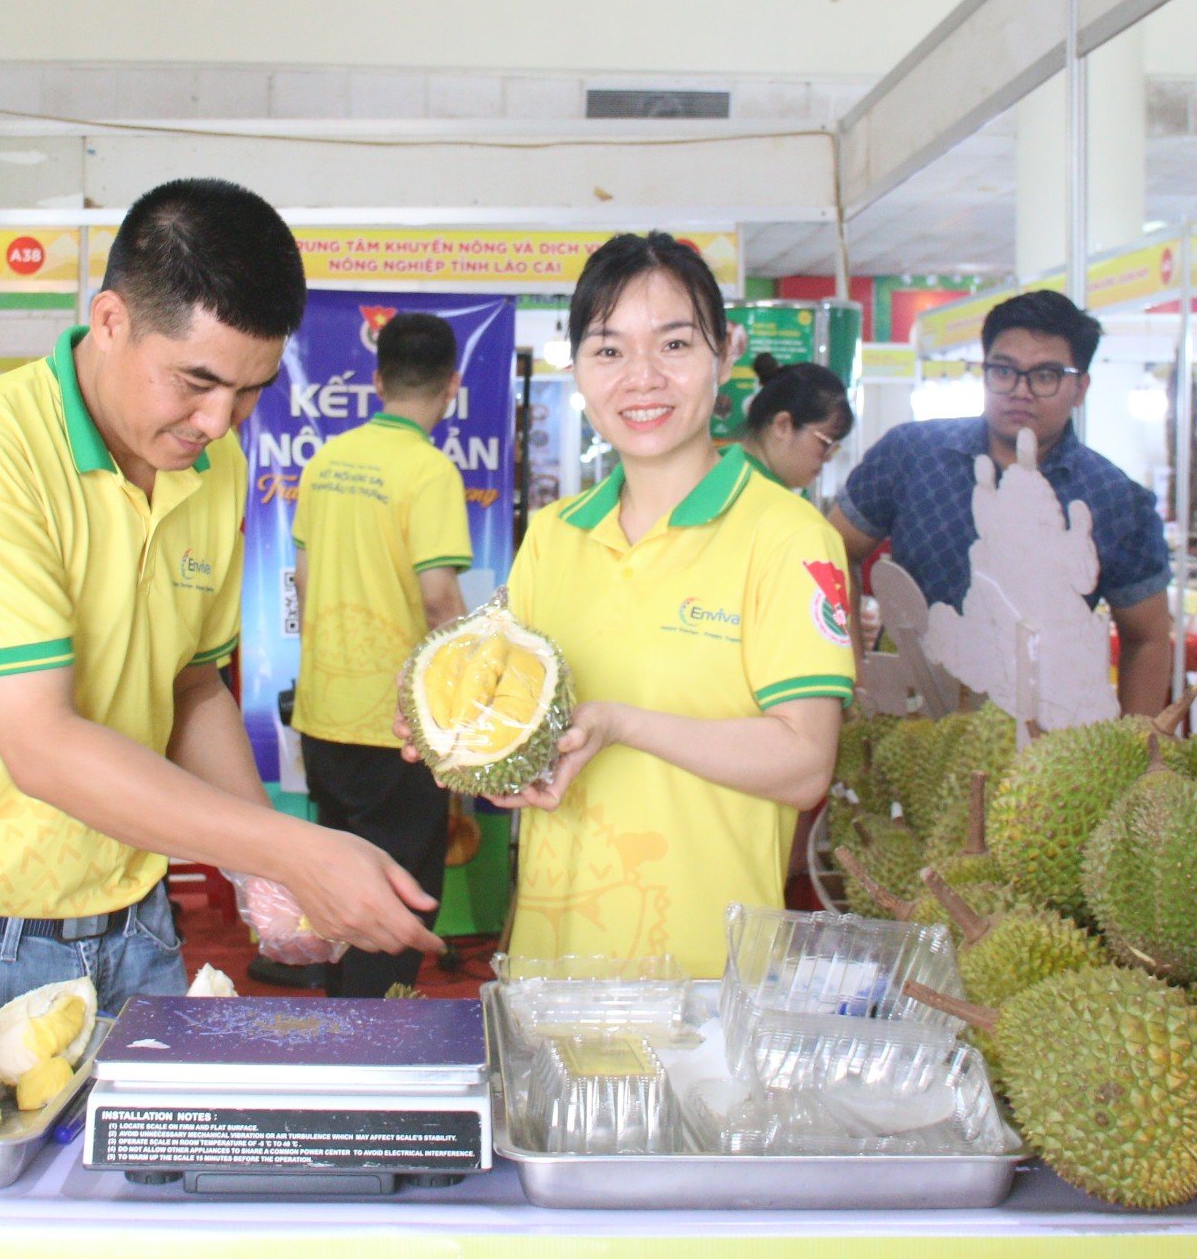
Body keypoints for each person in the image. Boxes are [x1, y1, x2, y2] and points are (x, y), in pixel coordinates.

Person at [0, 178, 441, 1011]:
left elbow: (189, 684)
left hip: (131, 926)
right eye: (195, 381)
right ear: (110, 322)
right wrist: (294, 849)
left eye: (250, 391)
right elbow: (40, 742)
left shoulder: (210, 466)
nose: (219, 420)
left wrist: (261, 867)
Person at [425, 233, 853, 976]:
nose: (642, 379)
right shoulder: (555, 536)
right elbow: (523, 749)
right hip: (549, 972)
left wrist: (624, 724)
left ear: (725, 354)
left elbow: (805, 762)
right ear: (579, 371)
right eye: (609, 350)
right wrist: (463, 741)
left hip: (704, 984)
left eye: (675, 343)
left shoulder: (789, 537)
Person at [828, 287, 1174, 716]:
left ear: (1080, 387)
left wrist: (1136, 748)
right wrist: (854, 676)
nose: (1020, 391)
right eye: (1004, 371)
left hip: (1046, 735)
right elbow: (830, 552)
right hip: (911, 718)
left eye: (1045, 375)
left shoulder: (1113, 497)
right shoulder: (912, 454)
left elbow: (1149, 636)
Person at [290, 312, 473, 997]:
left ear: (376, 380)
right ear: (451, 385)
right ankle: (373, 1036)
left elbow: (303, 584)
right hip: (400, 726)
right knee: (398, 894)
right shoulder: (428, 472)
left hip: (324, 711)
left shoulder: (326, 462)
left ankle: (341, 1021)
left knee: (337, 884)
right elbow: (439, 602)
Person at [738, 354, 855, 494]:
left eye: (834, 448)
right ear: (783, 426)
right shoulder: (761, 496)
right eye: (825, 443)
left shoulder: (729, 469)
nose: (828, 458)